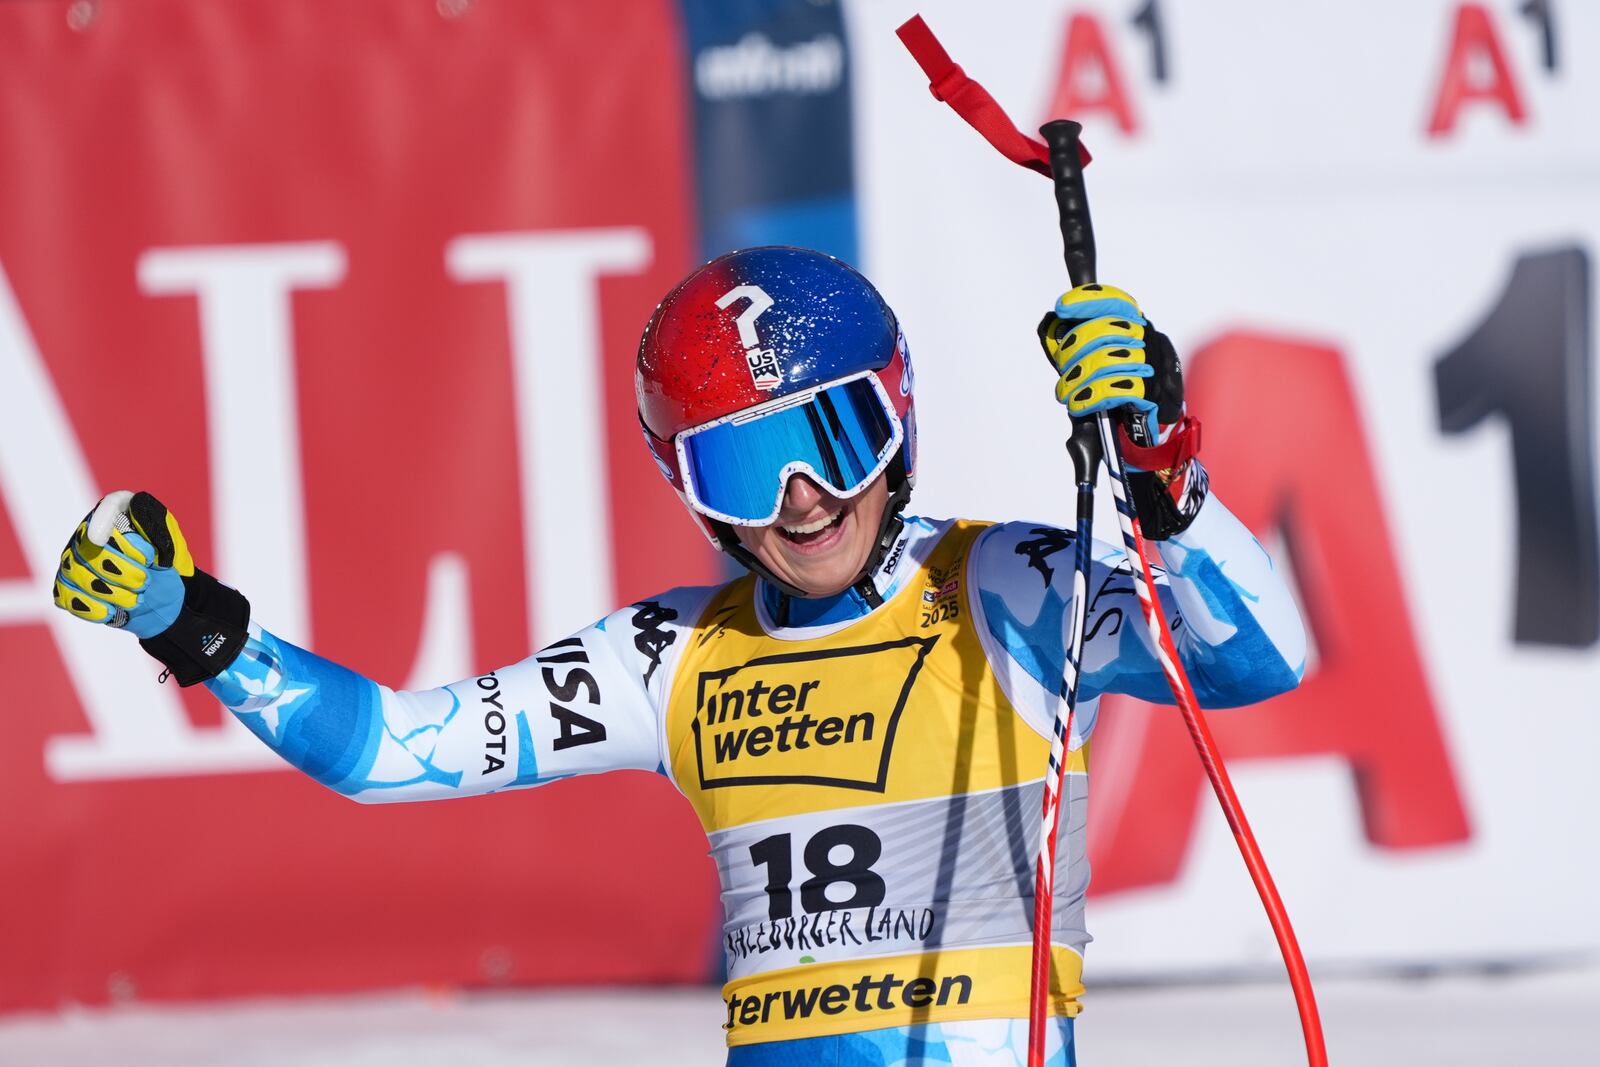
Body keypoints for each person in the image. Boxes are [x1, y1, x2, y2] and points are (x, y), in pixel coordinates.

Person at [52, 246, 1305, 1066]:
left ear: (900, 413)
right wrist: (192, 620)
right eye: (748, 467)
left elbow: (1258, 662)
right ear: (685, 487)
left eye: (833, 437)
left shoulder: (1001, 585)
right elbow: (386, 749)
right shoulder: (670, 656)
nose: (805, 500)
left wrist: (1162, 476)